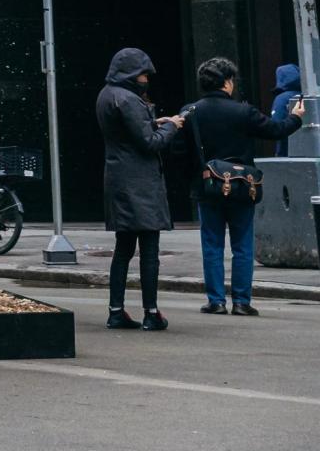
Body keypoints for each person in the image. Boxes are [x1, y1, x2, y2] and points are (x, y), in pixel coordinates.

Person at [186, 56, 303, 314]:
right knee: (242, 245)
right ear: (227, 82)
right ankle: (242, 301)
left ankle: (216, 301)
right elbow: (276, 130)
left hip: (208, 187)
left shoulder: (191, 112)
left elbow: (179, 151)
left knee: (212, 244)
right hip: (242, 187)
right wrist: (295, 118)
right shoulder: (243, 111)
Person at [97, 47, 184, 330]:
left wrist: (152, 122)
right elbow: (150, 143)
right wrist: (171, 126)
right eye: (144, 73)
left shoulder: (107, 95)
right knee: (149, 249)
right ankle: (151, 312)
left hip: (118, 179)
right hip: (140, 183)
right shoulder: (128, 99)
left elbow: (129, 133)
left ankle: (116, 309)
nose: (146, 78)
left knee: (123, 248)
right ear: (134, 73)